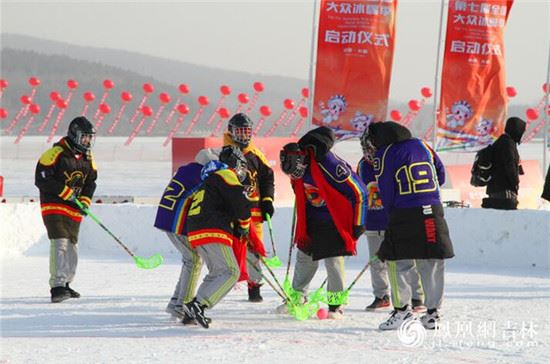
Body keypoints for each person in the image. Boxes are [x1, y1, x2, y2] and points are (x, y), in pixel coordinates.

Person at [362, 121, 454, 330]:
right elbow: (440, 174)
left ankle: (402, 311)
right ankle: (433, 314)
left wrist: (393, 212)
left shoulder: (385, 153)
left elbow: (386, 189)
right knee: (432, 261)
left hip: (404, 211)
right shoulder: (422, 145)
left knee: (398, 261)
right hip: (432, 210)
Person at [279, 126, 368, 319]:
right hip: (312, 220)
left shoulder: (328, 164)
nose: (295, 176)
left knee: (334, 262)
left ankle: (336, 305)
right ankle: (297, 298)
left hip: (335, 220)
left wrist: (359, 222)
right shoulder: (298, 170)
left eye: (296, 172)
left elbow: (359, 191)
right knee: (304, 259)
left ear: (303, 159)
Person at [183, 146, 252, 328]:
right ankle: (200, 304)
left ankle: (193, 307)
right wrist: (244, 227)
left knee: (217, 272)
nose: (242, 172)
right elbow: (241, 205)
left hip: (197, 229)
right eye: (242, 167)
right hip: (212, 229)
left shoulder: (211, 179)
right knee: (231, 272)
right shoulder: (226, 174)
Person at [357, 138, 425, 312]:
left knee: (406, 260)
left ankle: (417, 297)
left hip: (393, 220)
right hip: (373, 221)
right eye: (365, 149)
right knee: (376, 262)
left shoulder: (391, 160)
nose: (368, 153)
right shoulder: (362, 166)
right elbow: (360, 192)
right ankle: (381, 296)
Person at [35, 116, 97, 303]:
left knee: (72, 245)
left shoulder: (88, 158)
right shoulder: (55, 153)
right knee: (60, 241)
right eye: (84, 137)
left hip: (73, 208)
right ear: (74, 134)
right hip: (53, 205)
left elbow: (90, 182)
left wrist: (85, 201)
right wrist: (64, 191)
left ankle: (67, 283)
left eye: (89, 137)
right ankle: (57, 285)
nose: (87, 141)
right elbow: (42, 179)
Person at [153, 148, 219, 324]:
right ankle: (184, 306)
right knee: (195, 260)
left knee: (189, 260)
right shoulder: (205, 174)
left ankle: (176, 303)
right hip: (177, 221)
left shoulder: (188, 169)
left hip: (166, 217)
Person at [223, 113, 275, 302]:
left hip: (253, 212)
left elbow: (267, 178)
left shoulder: (255, 155)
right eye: (240, 131)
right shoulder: (224, 153)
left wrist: (268, 200)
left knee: (253, 250)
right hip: (230, 211)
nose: (244, 136)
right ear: (231, 132)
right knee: (228, 248)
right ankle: (221, 285)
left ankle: (254, 288)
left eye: (247, 132)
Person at [482, 116, 526, 210]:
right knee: (508, 217)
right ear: (516, 130)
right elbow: (510, 166)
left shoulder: (500, 141)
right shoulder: (508, 144)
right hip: (504, 188)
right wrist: (515, 183)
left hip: (494, 188)